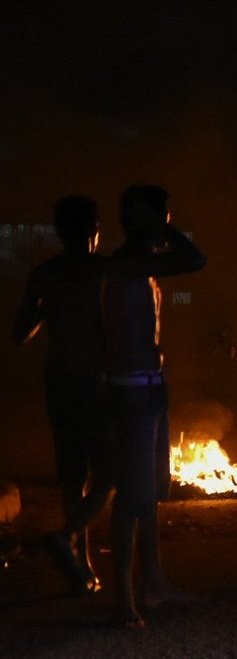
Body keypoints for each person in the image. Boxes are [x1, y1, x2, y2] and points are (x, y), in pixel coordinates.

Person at [90, 185, 206, 628]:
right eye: (139, 216)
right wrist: (164, 227)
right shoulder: (129, 262)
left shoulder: (143, 267)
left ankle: (153, 584)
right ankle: (125, 598)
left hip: (148, 387)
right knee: (132, 497)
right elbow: (196, 259)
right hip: (132, 391)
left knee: (149, 495)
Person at [15, 196, 108, 593]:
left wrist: (49, 310)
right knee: (108, 472)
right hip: (99, 382)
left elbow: (20, 333)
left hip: (61, 382)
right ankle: (71, 540)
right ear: (95, 231)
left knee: (73, 477)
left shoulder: (45, 273)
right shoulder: (107, 271)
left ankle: (82, 564)